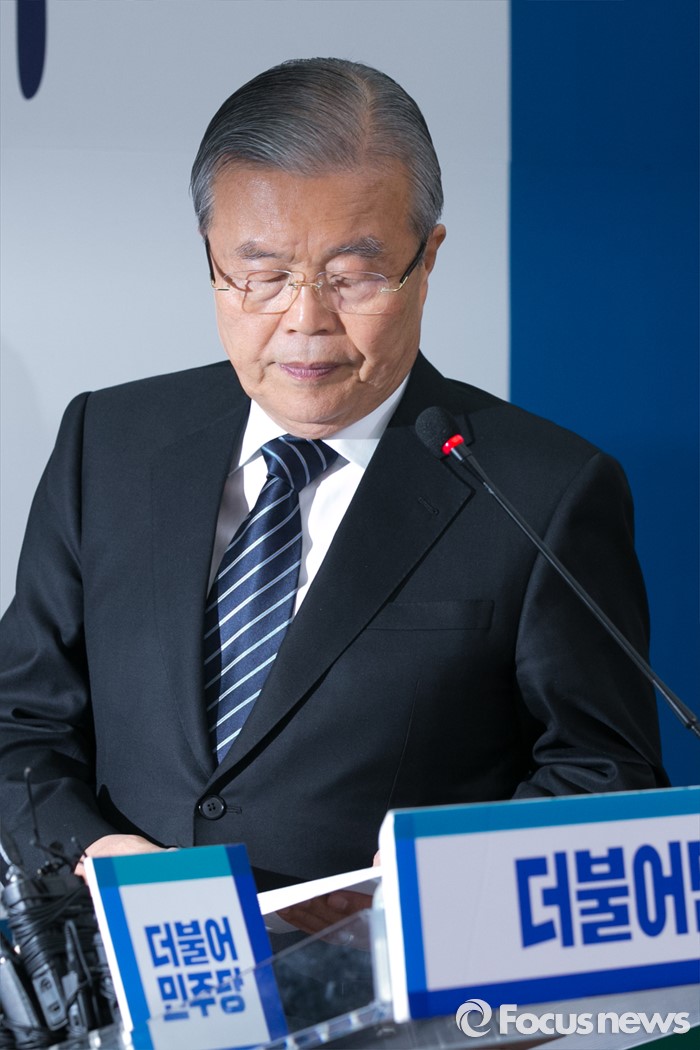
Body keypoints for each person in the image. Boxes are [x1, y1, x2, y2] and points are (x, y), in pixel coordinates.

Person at [0, 58, 667, 932]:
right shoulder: (110, 441)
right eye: (262, 273)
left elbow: (603, 779)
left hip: (398, 985)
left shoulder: (544, 490)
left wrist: (399, 910)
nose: (306, 319)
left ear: (427, 259)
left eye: (352, 276)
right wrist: (96, 855)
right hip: (118, 971)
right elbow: (20, 722)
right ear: (211, 260)